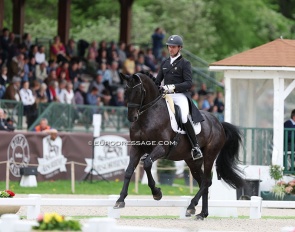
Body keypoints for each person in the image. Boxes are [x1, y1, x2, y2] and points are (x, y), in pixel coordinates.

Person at [155, 35, 204, 160]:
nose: (170, 49)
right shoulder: (165, 63)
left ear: (179, 48)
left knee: (182, 116)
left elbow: (188, 83)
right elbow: (157, 81)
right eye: (169, 47)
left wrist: (172, 87)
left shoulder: (185, 63)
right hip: (166, 96)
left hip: (180, 95)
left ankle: (195, 147)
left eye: (173, 47)